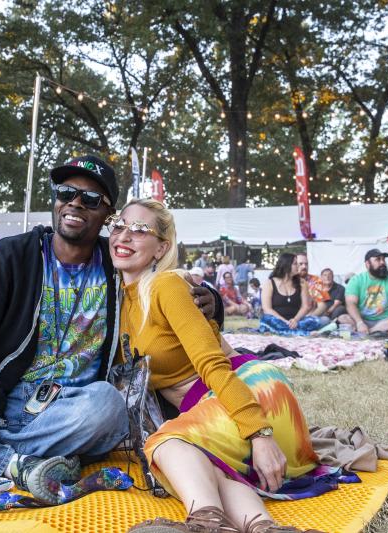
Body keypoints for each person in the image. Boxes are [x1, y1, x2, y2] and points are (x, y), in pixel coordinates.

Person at [0, 154, 216, 504]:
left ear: (108, 215)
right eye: (65, 192)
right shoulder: (14, 256)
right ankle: (19, 465)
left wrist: (209, 299)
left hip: (72, 408)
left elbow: (166, 284)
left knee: (109, 404)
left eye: (90, 198)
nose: (75, 203)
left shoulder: (117, 264)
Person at [111, 200, 320, 533]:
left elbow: (213, 363)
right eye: (119, 226)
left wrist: (260, 433)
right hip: (212, 410)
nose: (124, 236)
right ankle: (262, 527)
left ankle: (206, 523)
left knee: (165, 445)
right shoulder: (118, 299)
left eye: (139, 230)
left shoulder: (167, 286)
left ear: (161, 247)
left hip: (248, 392)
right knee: (209, 464)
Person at [337, 249, 388, 334]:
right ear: (367, 264)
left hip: (385, 321)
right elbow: (350, 304)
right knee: (343, 318)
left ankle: (368, 333)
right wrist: (359, 323)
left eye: (383, 259)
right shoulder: (356, 280)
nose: (382, 262)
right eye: (378, 259)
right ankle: (370, 332)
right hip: (362, 320)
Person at [259, 253, 321, 335]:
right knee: (266, 319)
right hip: (277, 320)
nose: (298, 267)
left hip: (296, 321)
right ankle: (302, 333)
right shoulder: (269, 283)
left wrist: (295, 320)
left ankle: (283, 331)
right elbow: (267, 309)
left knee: (315, 320)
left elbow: (306, 306)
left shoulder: (302, 283)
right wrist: (284, 321)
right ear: (286, 265)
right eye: (295, 264)